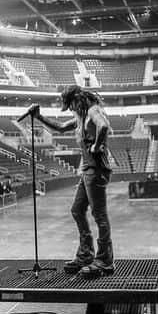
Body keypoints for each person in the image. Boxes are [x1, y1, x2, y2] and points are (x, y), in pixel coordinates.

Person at [26, 85, 114, 278]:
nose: (71, 109)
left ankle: (105, 260)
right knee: (77, 210)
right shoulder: (80, 116)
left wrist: (97, 146)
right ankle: (85, 254)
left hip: (96, 169)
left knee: (99, 215)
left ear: (78, 99)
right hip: (87, 170)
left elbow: (104, 126)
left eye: (71, 105)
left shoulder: (93, 110)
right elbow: (59, 127)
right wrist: (39, 116)